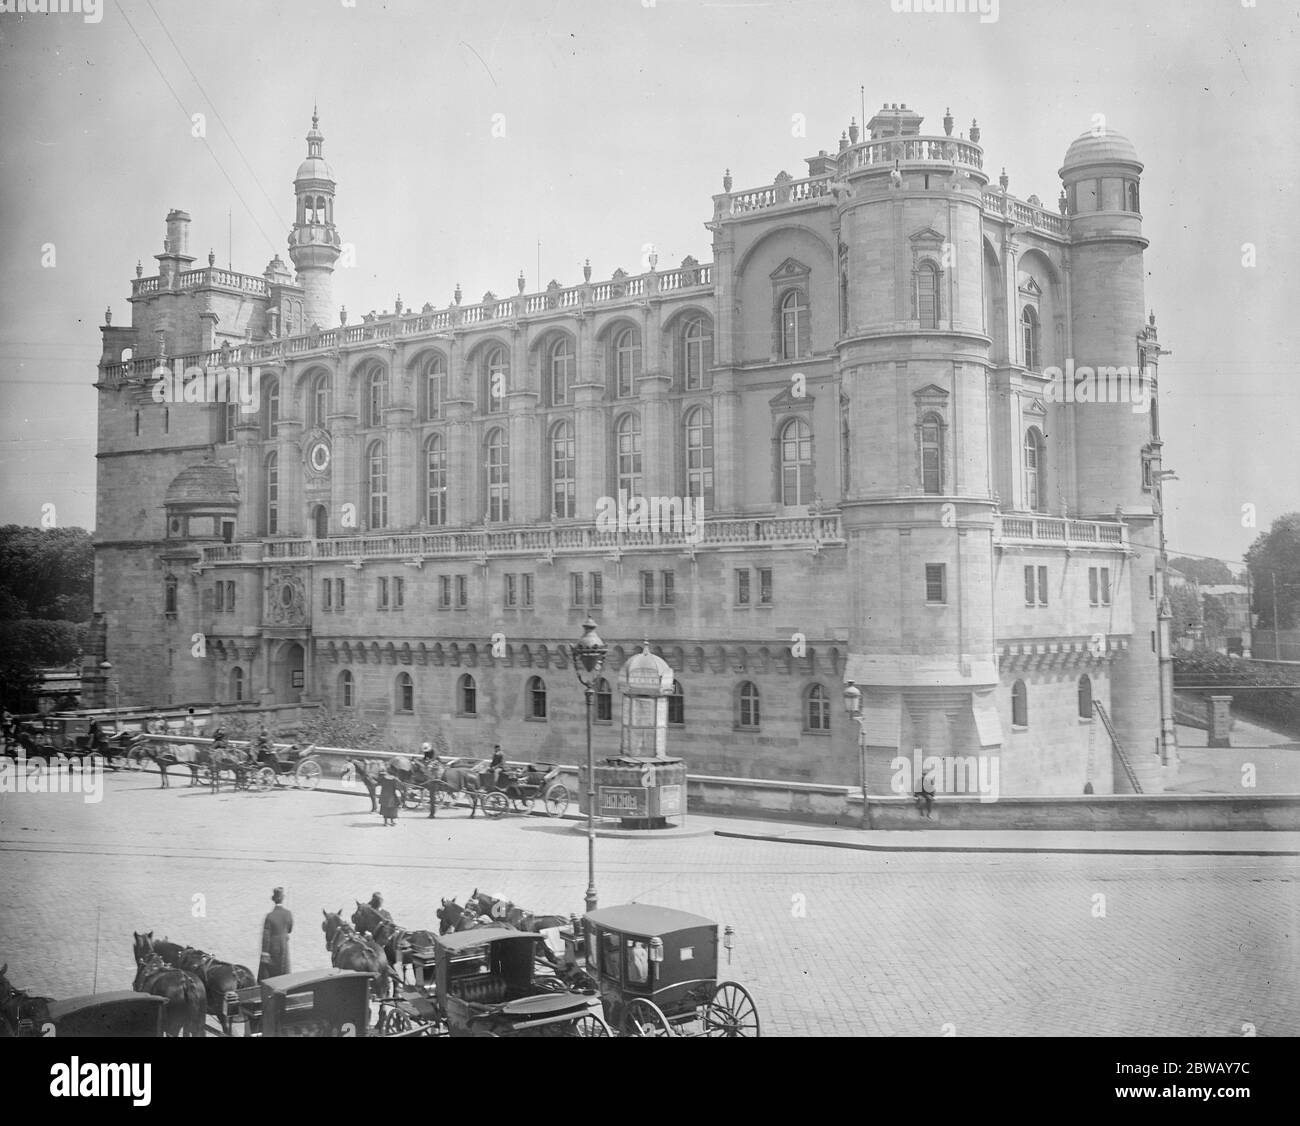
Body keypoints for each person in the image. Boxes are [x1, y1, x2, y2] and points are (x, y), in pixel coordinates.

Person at [258, 887, 293, 982]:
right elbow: (290, 930)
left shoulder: (269, 916)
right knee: (284, 973)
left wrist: (264, 953)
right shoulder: (288, 914)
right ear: (283, 898)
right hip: (284, 948)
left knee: (271, 976)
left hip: (272, 949)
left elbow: (266, 937)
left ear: (273, 900)